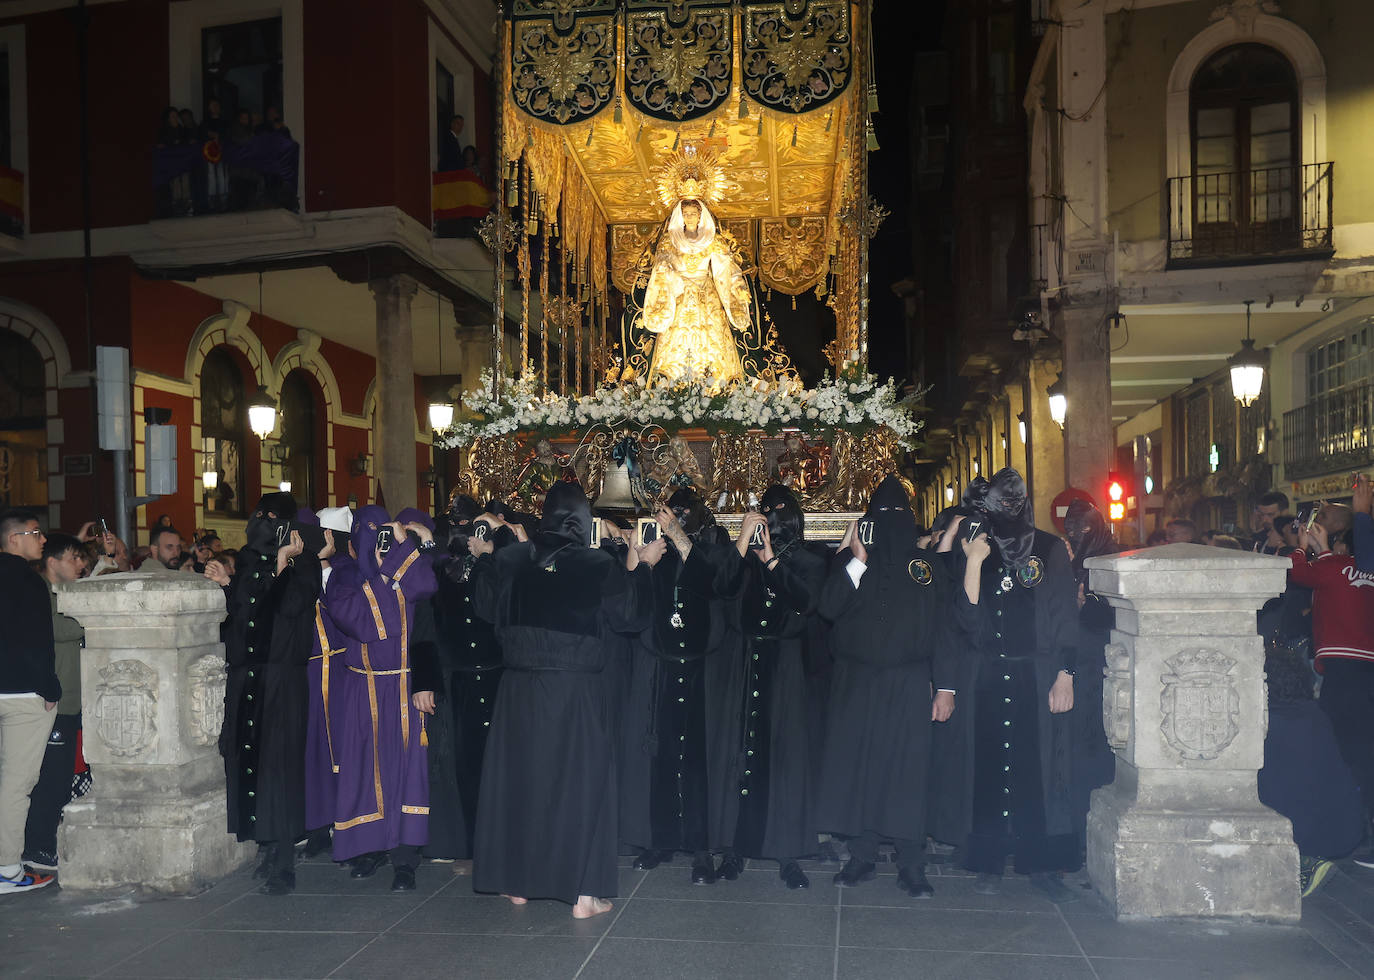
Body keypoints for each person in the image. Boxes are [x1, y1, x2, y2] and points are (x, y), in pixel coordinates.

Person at [469, 482, 657, 918]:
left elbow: (484, 608)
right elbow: (630, 617)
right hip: (575, 693)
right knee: (582, 785)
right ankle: (584, 895)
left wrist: (483, 559)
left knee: (522, 784)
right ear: (583, 520)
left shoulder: (510, 559)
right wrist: (644, 567)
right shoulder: (596, 564)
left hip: (518, 691)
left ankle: (517, 883)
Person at [815, 476, 971, 898]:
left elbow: (945, 631)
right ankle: (862, 856)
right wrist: (856, 558)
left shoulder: (928, 569)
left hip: (908, 680)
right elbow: (827, 608)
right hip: (857, 682)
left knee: (907, 771)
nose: (888, 526)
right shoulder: (851, 565)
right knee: (862, 768)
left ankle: (911, 862)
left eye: (895, 517)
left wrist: (947, 688)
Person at [953, 469, 1083, 903]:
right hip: (987, 674)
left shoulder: (1048, 549)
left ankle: (1041, 861)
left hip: (1037, 673)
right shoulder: (976, 547)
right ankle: (989, 858)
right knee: (987, 767)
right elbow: (966, 621)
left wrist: (1066, 673)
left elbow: (1065, 614)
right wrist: (972, 561)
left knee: (1042, 771)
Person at [619, 487, 743, 885]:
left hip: (702, 668)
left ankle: (702, 848)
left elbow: (718, 581)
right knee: (661, 756)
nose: (671, 517)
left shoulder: (709, 542)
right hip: (661, 666)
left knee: (698, 763)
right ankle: (661, 839)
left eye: (678, 513)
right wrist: (637, 552)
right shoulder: (655, 545)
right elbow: (632, 595)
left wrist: (678, 536)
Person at [716, 486, 826, 889]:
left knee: (784, 759)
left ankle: (787, 853)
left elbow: (807, 602)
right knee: (739, 753)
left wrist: (774, 563)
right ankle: (733, 848)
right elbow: (723, 588)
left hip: (785, 669)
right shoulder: (742, 561)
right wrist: (743, 542)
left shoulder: (809, 562)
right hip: (744, 664)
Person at [325, 506, 438, 891]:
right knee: (365, 771)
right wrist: (389, 574)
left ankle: (405, 857)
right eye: (370, 535)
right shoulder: (344, 578)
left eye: (384, 535)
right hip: (364, 686)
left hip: (406, 687)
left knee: (407, 770)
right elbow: (366, 623)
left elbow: (427, 590)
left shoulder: (409, 568)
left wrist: (409, 551)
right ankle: (368, 848)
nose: (378, 543)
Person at [218, 493, 322, 895]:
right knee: (247, 760)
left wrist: (282, 566)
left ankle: (283, 859)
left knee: (279, 764)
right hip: (247, 677)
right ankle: (260, 841)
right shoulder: (245, 563)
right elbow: (244, 616)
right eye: (257, 515)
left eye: (271, 518)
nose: (261, 523)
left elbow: (288, 609)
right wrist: (226, 587)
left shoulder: (305, 564)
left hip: (282, 678)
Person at [1291, 505, 1374, 870]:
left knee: (1342, 752)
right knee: (1361, 752)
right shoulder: (1363, 568)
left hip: (1341, 671)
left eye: (1315, 524)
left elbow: (1296, 571)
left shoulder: (1333, 567)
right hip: (1365, 668)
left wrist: (1301, 546)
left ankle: (1350, 833)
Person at [425, 496, 505, 866]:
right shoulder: (438, 572)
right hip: (457, 682)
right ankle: (472, 845)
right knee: (464, 765)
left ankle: (504, 842)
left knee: (500, 763)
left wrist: (495, 544)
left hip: (498, 678)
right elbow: (425, 631)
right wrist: (425, 681)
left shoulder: (498, 564)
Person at [1257, 643, 1365, 897]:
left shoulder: (1265, 726)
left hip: (1302, 839)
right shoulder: (1316, 716)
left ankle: (1300, 867)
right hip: (1344, 834)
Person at [0, 509, 59, 893]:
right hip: (22, 694)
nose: (42, 540)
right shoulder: (30, 582)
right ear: (13, 539)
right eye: (36, 533)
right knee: (16, 784)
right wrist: (49, 688)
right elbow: (36, 643)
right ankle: (7, 870)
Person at [21, 535, 87, 876]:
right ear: (53, 562)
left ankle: (44, 843)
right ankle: (37, 848)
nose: (81, 565)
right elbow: (63, 628)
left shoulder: (63, 593)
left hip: (71, 701)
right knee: (49, 780)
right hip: (53, 703)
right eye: (74, 558)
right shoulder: (41, 594)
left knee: (62, 778)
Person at [1061, 499, 1117, 856]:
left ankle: (1087, 833)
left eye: (1078, 528)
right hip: (1077, 663)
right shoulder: (1075, 558)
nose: (1072, 535)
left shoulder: (1110, 560)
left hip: (1098, 665)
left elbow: (1109, 615)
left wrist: (1083, 606)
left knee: (1094, 748)